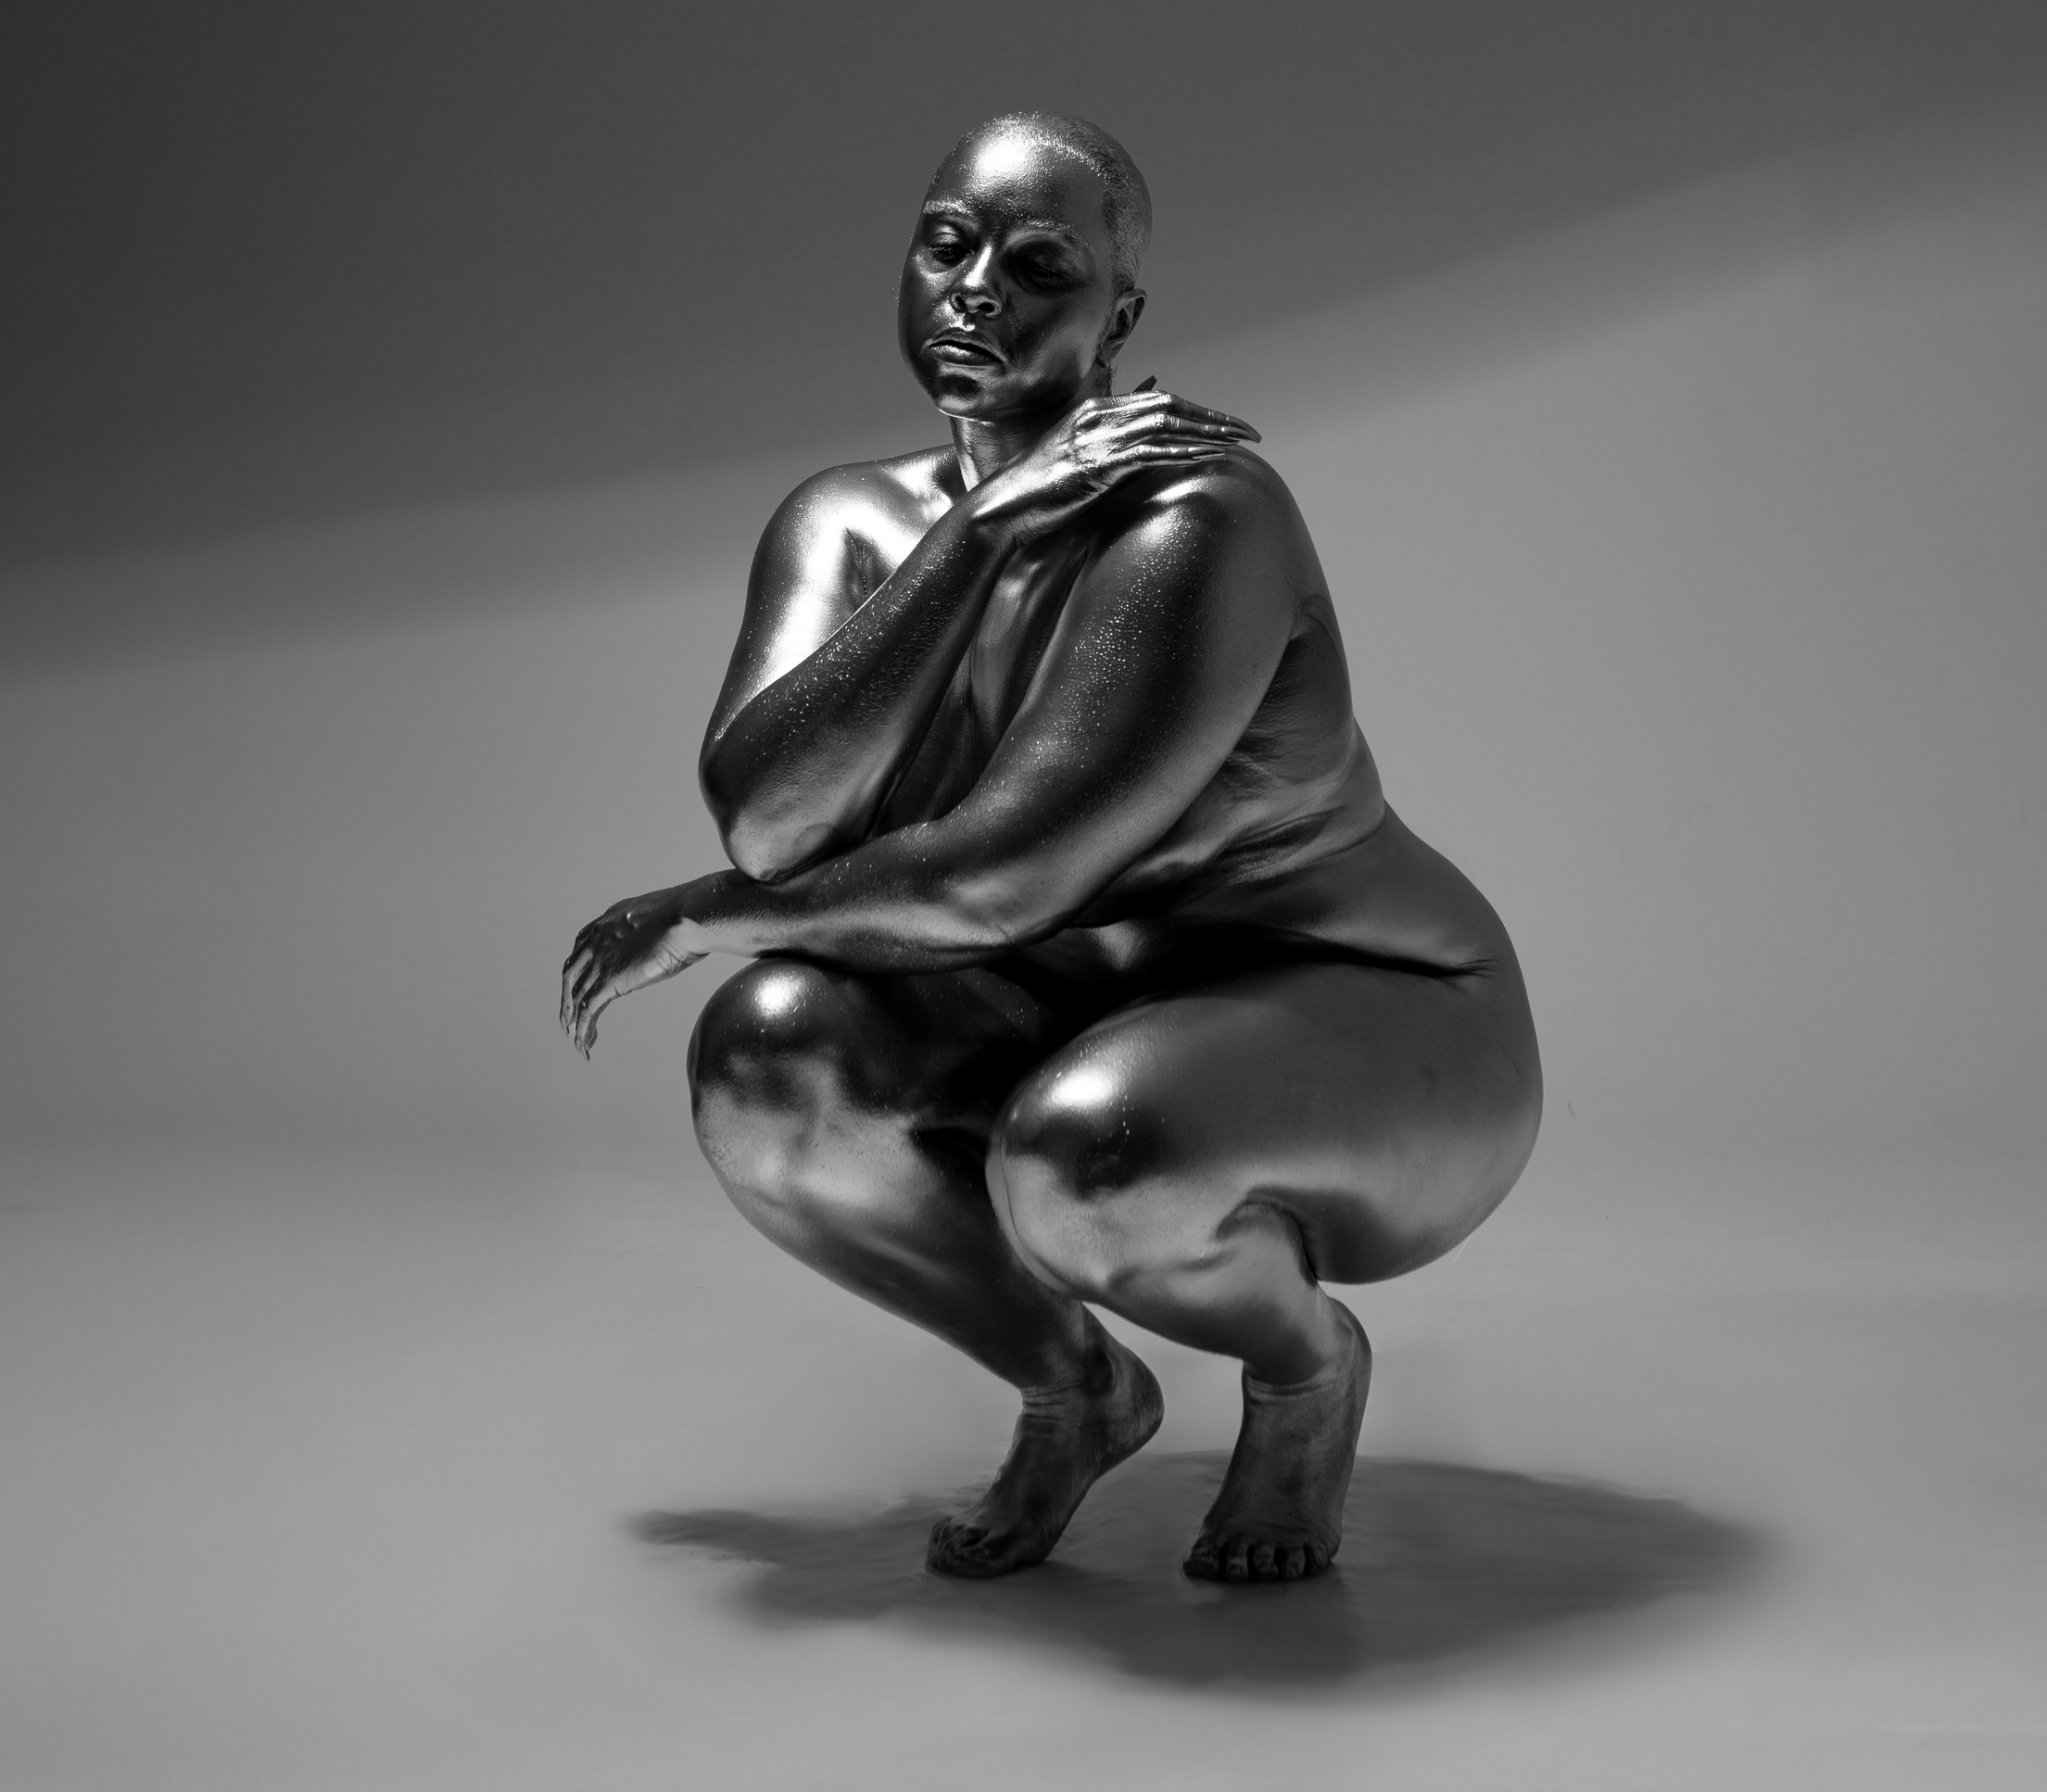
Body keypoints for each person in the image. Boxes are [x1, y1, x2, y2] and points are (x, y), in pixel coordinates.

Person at [560, 113, 1539, 1584]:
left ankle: (1306, 1372)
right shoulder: (846, 521)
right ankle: (1077, 1392)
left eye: (1037, 266)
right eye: (946, 247)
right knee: (768, 1059)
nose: (976, 292)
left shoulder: (1198, 517)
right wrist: (979, 537)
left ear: (1118, 320)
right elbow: (768, 822)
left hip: (1370, 1009)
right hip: (1073, 998)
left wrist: (699, 915)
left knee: (1088, 1151)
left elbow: (1002, 877)